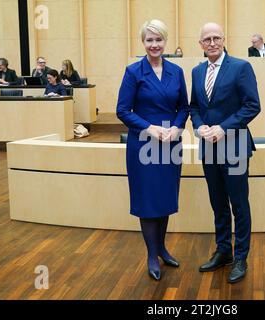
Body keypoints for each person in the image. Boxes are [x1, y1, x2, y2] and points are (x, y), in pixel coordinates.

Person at [116, 19, 189, 281]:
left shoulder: (177, 71)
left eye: (158, 40)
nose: (154, 44)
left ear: (165, 41)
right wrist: (150, 128)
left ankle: (162, 249)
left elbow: (184, 107)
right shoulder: (133, 72)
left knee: (165, 199)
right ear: (143, 42)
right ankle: (151, 255)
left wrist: (178, 128)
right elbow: (122, 110)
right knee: (147, 201)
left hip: (170, 144)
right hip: (144, 145)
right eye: (149, 40)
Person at [190, 22, 261, 284]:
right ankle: (223, 252)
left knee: (239, 206)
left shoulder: (241, 67)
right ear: (200, 44)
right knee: (218, 204)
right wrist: (199, 127)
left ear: (223, 39)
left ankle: (241, 256)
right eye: (206, 39)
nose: (211, 42)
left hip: (234, 146)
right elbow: (194, 106)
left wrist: (223, 128)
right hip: (209, 147)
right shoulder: (197, 72)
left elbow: (252, 106)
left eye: (216, 38)